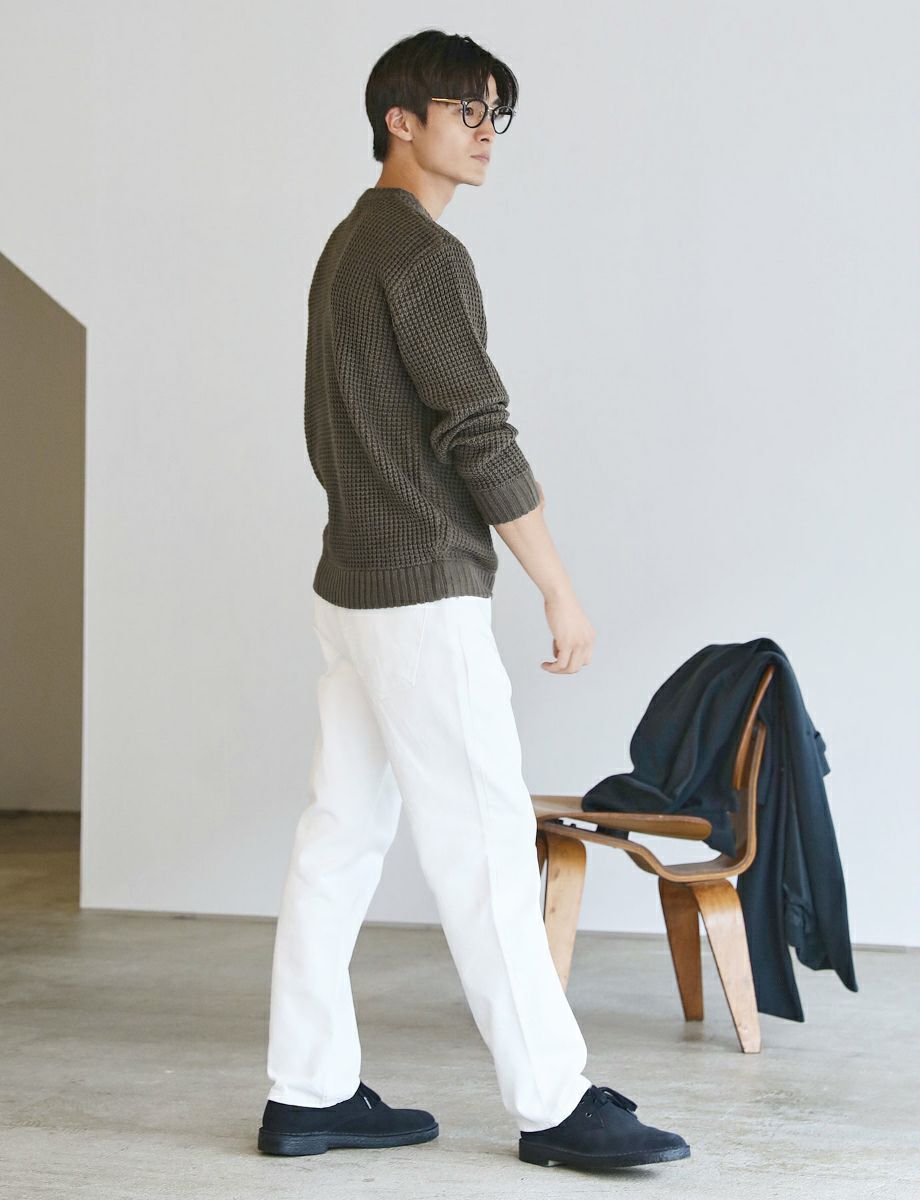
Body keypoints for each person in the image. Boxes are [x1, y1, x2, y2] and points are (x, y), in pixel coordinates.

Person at [258, 28, 690, 1172]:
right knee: (487, 845)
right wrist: (558, 586)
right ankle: (553, 1105)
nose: (486, 131)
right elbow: (477, 433)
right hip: (417, 595)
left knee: (338, 837)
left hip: (351, 585)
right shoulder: (421, 255)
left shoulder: (349, 244)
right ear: (399, 120)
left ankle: (307, 1092)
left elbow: (333, 428)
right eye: (465, 109)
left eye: (496, 112)